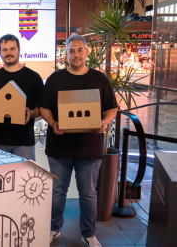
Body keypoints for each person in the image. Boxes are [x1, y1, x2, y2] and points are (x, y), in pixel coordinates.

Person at [39, 33, 117, 247]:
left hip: (89, 149)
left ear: (86, 52)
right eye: (72, 51)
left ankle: (89, 234)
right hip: (59, 148)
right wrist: (53, 123)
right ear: (66, 54)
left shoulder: (99, 79)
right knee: (57, 192)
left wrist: (104, 121)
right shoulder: (56, 78)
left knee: (88, 194)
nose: (76, 55)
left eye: (79, 50)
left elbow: (112, 108)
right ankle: (54, 228)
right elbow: (44, 107)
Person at [0, 34, 44, 160]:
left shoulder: (34, 78)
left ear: (19, 50)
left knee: (25, 179)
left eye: (12, 49)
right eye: (4, 50)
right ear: (0, 52)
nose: (8, 53)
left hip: (24, 142)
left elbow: (41, 109)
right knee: (0, 179)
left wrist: (30, 113)